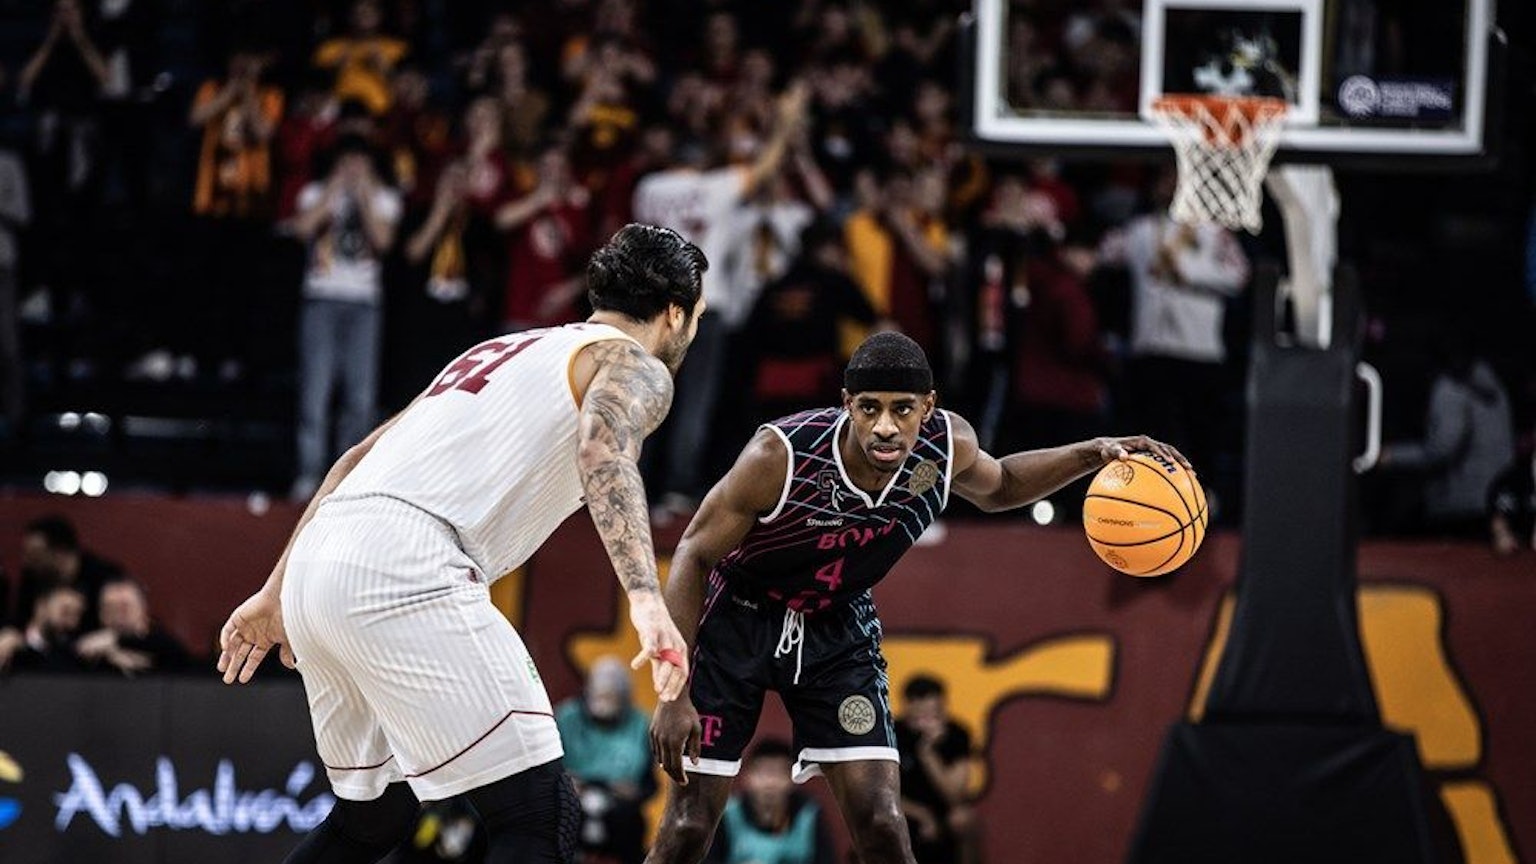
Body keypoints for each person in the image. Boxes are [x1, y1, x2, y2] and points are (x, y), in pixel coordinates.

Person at [216, 223, 706, 864]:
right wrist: (645, 600)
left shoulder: (501, 350)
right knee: (540, 814)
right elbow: (602, 449)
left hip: (322, 554)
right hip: (408, 561)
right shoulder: (634, 364)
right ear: (675, 314)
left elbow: (356, 456)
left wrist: (275, 590)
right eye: (694, 318)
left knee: (374, 819)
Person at [646, 332, 1185, 864]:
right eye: (869, 409)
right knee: (688, 831)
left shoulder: (945, 448)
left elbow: (1000, 487)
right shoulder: (778, 456)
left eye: (903, 409)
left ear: (929, 406)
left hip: (837, 631)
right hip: (740, 620)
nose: (885, 427)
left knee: (883, 825)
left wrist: (1090, 453)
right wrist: (674, 692)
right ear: (846, 406)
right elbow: (692, 552)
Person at [290, 134, 403, 500]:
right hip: (321, 298)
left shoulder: (384, 198)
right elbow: (304, 228)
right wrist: (335, 191)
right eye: (347, 161)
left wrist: (364, 194)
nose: (353, 169)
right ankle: (309, 475)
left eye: (360, 162)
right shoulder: (315, 193)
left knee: (360, 398)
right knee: (316, 394)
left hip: (364, 304)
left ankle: (346, 481)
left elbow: (383, 241)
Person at [557, 656, 656, 864]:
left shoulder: (640, 724)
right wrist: (566, 783)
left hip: (621, 814)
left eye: (610, 697)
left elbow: (650, 786)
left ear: (623, 698)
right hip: (572, 805)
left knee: (630, 823)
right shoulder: (567, 717)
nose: (602, 704)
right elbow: (546, 773)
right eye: (599, 696)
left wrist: (634, 792)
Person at [705, 738, 835, 864]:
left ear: (793, 778)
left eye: (780, 773)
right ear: (746, 776)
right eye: (762, 772)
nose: (770, 783)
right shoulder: (727, 815)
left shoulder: (809, 815)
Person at [895, 677, 978, 864]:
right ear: (908, 707)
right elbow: (885, 792)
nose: (928, 722)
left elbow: (955, 795)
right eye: (922, 715)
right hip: (903, 809)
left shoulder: (956, 734)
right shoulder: (893, 734)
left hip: (943, 812)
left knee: (963, 819)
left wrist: (927, 753)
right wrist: (922, 815)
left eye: (934, 715)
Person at [14, 514, 122, 629]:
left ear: (60, 552)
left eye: (35, 556)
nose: (27, 562)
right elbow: (20, 620)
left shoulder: (105, 577)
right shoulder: (32, 577)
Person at [75, 577, 193, 676]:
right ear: (101, 614)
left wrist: (117, 640)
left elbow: (175, 654)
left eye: (124, 608)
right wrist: (109, 656)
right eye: (110, 608)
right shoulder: (92, 649)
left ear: (142, 610)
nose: (117, 615)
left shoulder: (164, 646)